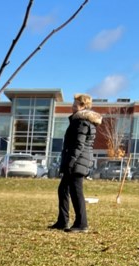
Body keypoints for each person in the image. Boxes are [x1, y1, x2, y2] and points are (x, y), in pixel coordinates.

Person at [51, 93, 102, 232]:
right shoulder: (80, 121)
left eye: (75, 104)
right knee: (63, 189)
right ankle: (63, 221)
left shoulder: (81, 122)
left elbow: (78, 145)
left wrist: (70, 162)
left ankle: (81, 224)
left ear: (83, 106)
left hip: (77, 161)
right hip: (77, 161)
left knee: (76, 192)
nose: (72, 106)